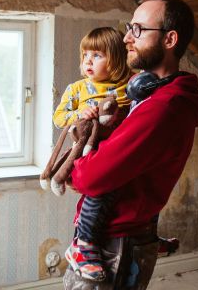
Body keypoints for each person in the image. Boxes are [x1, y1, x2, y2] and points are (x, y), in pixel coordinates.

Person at [63, 0, 198, 290]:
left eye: (138, 30)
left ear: (170, 39)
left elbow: (89, 178)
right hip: (120, 232)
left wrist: (75, 166)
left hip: (115, 242)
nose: (127, 37)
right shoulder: (150, 94)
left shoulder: (163, 107)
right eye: (130, 27)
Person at [53, 26, 132, 281]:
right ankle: (83, 244)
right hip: (88, 151)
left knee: (124, 196)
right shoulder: (77, 89)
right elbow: (59, 117)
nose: (88, 61)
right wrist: (79, 115)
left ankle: (138, 235)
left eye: (97, 55)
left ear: (117, 60)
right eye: (85, 55)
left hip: (118, 149)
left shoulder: (125, 87)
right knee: (100, 193)